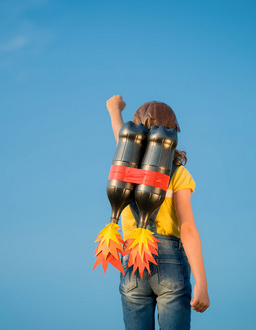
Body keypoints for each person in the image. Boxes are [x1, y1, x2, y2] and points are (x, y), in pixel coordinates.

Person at [106, 95, 210, 330]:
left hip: (132, 263)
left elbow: (119, 136)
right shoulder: (178, 174)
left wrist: (114, 109)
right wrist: (201, 282)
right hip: (169, 263)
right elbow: (188, 228)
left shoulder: (125, 170)